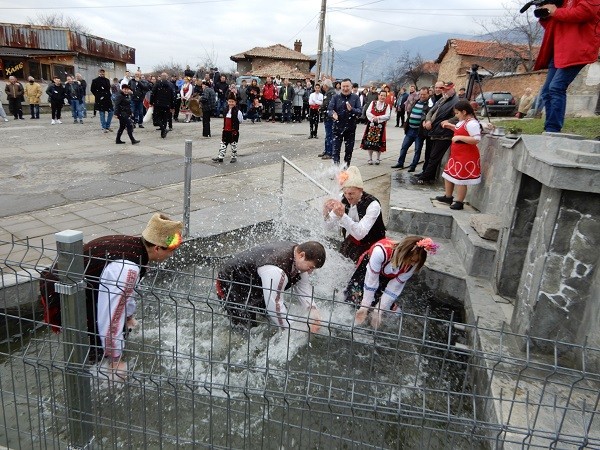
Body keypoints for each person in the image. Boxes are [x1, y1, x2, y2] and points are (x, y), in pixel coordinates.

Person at [39, 213, 183, 374]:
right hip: (62, 292)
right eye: (171, 250)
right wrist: (115, 359)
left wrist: (128, 316)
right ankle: (91, 377)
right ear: (157, 248)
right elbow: (111, 314)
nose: (172, 254)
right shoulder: (127, 266)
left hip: (77, 284)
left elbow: (125, 293)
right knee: (98, 343)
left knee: (110, 330)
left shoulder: (135, 247)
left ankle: (93, 362)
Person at [215, 241, 325, 332]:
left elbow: (304, 291)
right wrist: (295, 330)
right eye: (311, 267)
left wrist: (314, 315)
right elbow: (275, 307)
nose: (311, 272)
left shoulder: (298, 257)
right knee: (245, 328)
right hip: (232, 282)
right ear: (301, 255)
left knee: (271, 317)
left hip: (255, 283)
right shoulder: (276, 269)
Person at [534, 0, 600, 132]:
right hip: (560, 50)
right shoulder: (563, 1)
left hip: (577, 50)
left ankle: (553, 130)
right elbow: (555, 25)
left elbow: (583, 13)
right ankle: (549, 128)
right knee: (547, 91)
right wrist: (545, 15)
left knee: (556, 87)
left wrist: (555, 11)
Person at [344, 236, 438, 329]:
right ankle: (352, 318)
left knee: (382, 307)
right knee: (356, 296)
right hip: (370, 270)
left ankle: (373, 315)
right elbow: (371, 279)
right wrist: (364, 306)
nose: (412, 264)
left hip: (388, 276)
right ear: (404, 253)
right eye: (411, 260)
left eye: (416, 261)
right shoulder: (381, 251)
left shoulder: (413, 264)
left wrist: (379, 311)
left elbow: (394, 287)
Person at [323, 166, 386, 262]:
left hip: (373, 242)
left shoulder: (373, 205)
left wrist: (342, 216)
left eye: (351, 193)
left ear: (360, 190)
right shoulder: (342, 198)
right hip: (354, 239)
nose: (348, 197)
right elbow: (327, 227)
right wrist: (326, 212)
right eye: (345, 193)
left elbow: (360, 234)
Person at [434, 100, 482, 211]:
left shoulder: (472, 123)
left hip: (466, 156)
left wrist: (459, 138)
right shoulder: (463, 121)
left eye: (457, 113)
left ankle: (459, 202)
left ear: (464, 112)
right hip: (457, 155)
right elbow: (460, 130)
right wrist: (451, 127)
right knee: (448, 174)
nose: (456, 115)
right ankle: (448, 196)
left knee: (461, 180)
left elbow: (476, 139)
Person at [415, 81, 459, 185]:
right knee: (430, 155)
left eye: (446, 89)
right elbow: (431, 111)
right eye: (443, 89)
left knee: (434, 157)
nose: (444, 91)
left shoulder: (456, 101)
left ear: (452, 89)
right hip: (435, 131)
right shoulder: (443, 99)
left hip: (444, 133)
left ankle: (425, 176)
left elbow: (458, 115)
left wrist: (449, 121)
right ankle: (427, 175)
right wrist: (428, 120)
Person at [392, 87, 430, 171]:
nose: (422, 96)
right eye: (421, 94)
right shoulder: (416, 102)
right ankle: (400, 163)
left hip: (419, 131)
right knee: (404, 147)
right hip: (410, 129)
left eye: (424, 94)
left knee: (417, 150)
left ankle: (413, 166)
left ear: (428, 94)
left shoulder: (428, 105)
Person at [328, 78, 362, 167]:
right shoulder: (335, 97)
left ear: (351, 87)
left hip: (350, 128)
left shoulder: (355, 97)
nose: (345, 88)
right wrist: (332, 114)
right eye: (343, 86)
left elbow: (360, 111)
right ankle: (336, 170)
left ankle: (345, 169)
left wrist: (352, 110)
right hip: (337, 128)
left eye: (347, 86)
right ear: (340, 86)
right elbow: (329, 109)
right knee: (335, 150)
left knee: (349, 150)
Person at [360, 90, 391, 165]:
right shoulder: (373, 103)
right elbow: (368, 112)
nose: (382, 97)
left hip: (381, 126)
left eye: (384, 96)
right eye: (381, 95)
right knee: (370, 142)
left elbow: (387, 116)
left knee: (379, 142)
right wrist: (373, 118)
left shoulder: (387, 105)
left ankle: (378, 158)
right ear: (378, 95)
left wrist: (379, 118)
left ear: (386, 97)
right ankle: (370, 158)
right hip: (371, 125)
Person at [212, 93, 244, 163]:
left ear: (235, 102)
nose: (231, 103)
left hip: (233, 131)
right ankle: (220, 157)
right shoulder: (225, 110)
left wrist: (235, 126)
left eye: (232, 102)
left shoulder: (238, 111)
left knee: (233, 145)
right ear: (227, 102)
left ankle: (234, 157)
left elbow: (241, 120)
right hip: (226, 130)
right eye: (229, 101)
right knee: (223, 144)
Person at [151, 73, 175, 138]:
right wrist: (172, 106)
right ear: (166, 77)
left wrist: (151, 102)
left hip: (158, 104)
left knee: (156, 118)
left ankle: (163, 129)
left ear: (161, 77)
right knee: (164, 119)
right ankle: (163, 132)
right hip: (166, 105)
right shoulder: (170, 85)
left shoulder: (157, 85)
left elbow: (152, 94)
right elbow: (172, 96)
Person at [91, 68, 114, 133]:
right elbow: (92, 89)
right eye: (101, 72)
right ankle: (104, 127)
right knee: (102, 113)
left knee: (111, 112)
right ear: (99, 73)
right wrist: (98, 96)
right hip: (100, 99)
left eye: (103, 72)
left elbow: (108, 89)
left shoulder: (107, 80)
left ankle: (107, 126)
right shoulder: (95, 80)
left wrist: (109, 95)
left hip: (107, 99)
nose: (102, 73)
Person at [317, 79, 335, 159]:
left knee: (329, 134)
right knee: (328, 134)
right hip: (328, 116)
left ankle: (329, 152)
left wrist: (321, 108)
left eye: (323, 85)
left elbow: (326, 104)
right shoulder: (330, 92)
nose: (322, 86)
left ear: (326, 85)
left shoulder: (330, 93)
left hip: (329, 116)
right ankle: (326, 150)